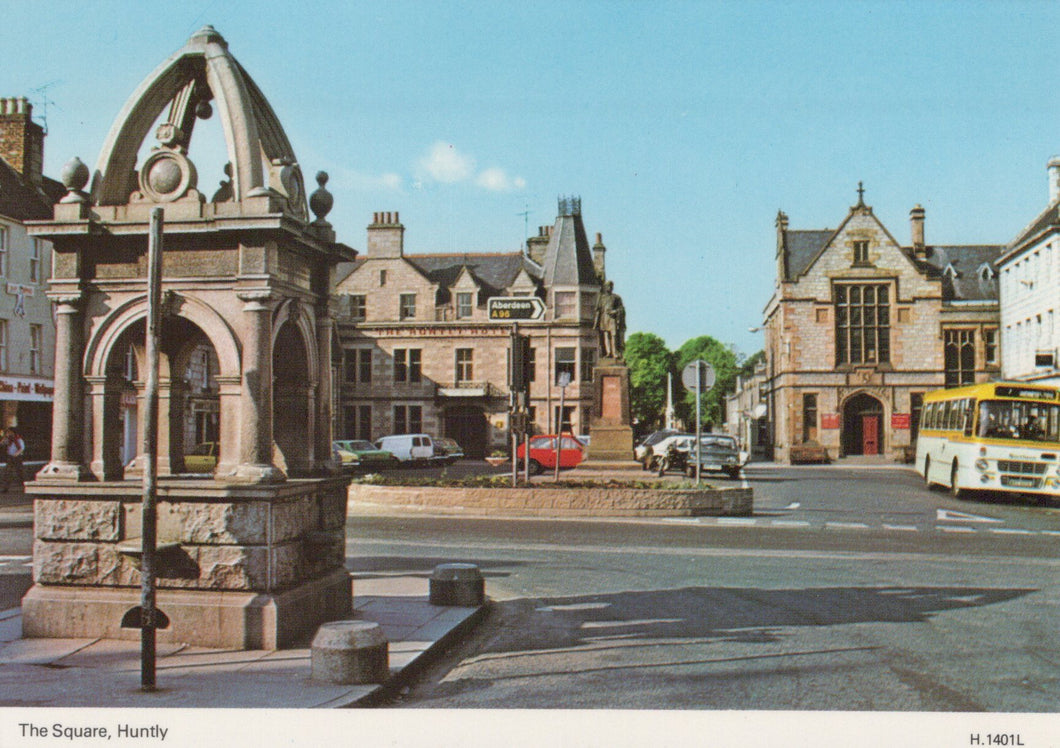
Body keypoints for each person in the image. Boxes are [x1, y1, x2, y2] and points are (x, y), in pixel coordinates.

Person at [594, 281, 627, 359]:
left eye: (611, 286)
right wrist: (596, 323)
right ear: (605, 287)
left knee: (614, 335)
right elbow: (597, 309)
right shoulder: (601, 298)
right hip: (604, 319)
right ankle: (608, 352)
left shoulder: (616, 297)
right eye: (608, 286)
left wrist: (615, 311)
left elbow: (621, 308)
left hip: (613, 319)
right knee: (606, 336)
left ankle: (615, 352)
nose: (610, 288)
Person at [0, 427, 24, 492]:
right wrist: (4, 437)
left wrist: (16, 455)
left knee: (20, 472)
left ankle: (24, 484)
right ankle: (6, 488)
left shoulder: (18, 439)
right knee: (8, 472)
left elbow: (21, 448)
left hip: (17, 458)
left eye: (9, 432)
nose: (8, 433)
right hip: (10, 457)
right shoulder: (8, 440)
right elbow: (1, 444)